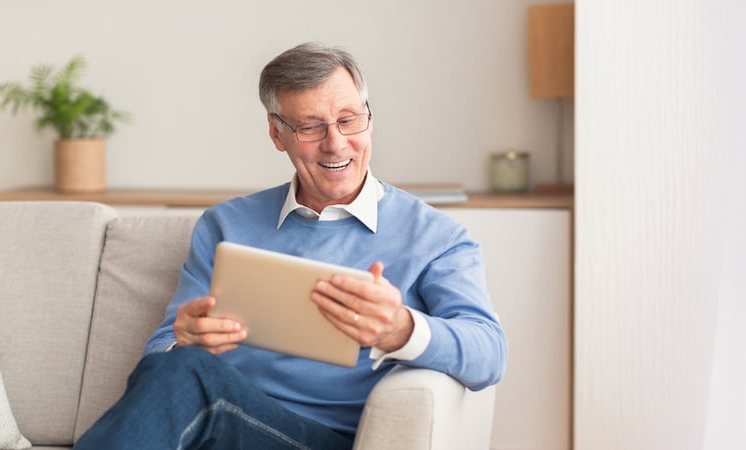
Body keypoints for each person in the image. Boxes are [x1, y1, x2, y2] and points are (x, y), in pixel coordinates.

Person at [74, 42, 507, 450]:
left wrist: (400, 329)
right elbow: (160, 356)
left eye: (348, 119)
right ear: (277, 135)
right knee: (180, 364)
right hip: (219, 421)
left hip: (318, 438)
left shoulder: (435, 236)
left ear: (369, 119)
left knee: (187, 373)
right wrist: (184, 339)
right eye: (310, 127)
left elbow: (489, 353)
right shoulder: (226, 224)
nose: (335, 142)